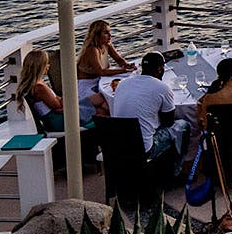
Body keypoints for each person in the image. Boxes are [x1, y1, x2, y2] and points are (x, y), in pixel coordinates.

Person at [110, 52, 190, 184]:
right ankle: (175, 173)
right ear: (160, 69)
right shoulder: (162, 87)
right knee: (183, 126)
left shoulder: (123, 83)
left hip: (117, 145)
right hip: (144, 149)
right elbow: (168, 122)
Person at [16, 50, 104, 131]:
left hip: (60, 114)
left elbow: (57, 102)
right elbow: (57, 106)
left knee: (100, 98)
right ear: (40, 67)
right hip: (59, 121)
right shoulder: (39, 87)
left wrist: (61, 103)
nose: (48, 66)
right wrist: (64, 99)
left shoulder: (38, 83)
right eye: (46, 64)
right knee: (101, 111)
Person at [76, 19, 136, 108]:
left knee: (123, 90)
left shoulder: (106, 44)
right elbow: (101, 72)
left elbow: (119, 60)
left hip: (100, 80)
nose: (110, 35)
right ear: (97, 35)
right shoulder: (92, 50)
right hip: (87, 86)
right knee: (108, 102)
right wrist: (122, 71)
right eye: (106, 33)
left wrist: (127, 65)